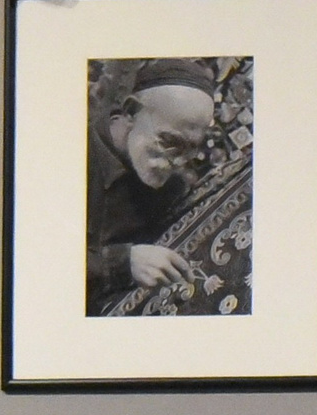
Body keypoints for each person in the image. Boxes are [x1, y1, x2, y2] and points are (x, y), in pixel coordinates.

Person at [87, 58, 219, 315]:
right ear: (130, 111)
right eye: (169, 142)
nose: (177, 163)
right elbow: (28, 261)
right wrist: (123, 264)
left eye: (190, 150)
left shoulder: (172, 188)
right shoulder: (63, 158)